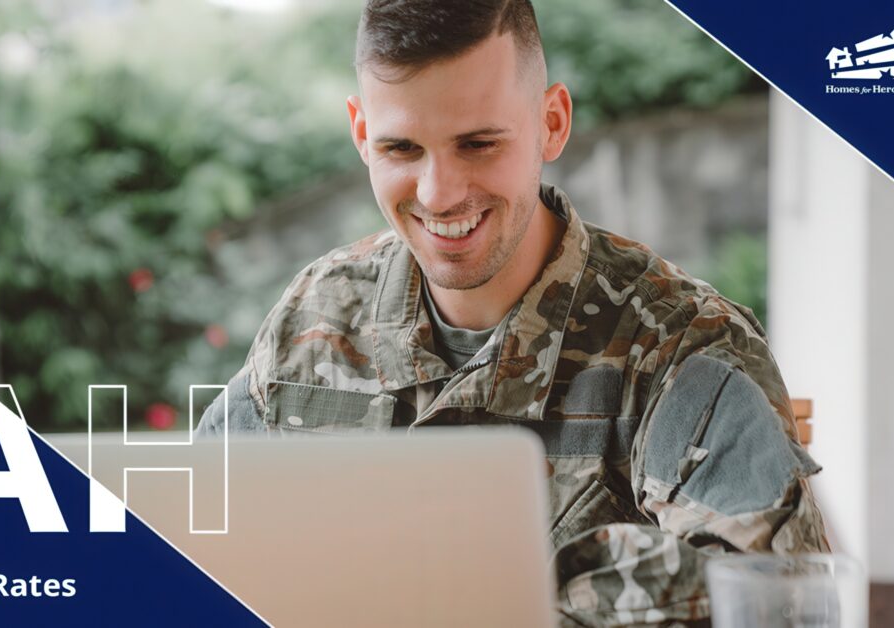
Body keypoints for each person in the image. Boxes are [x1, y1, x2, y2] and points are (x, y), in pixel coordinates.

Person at [197, 0, 829, 624]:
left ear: (551, 122)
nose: (438, 193)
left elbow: (778, 603)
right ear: (362, 134)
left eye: (477, 144)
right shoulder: (314, 317)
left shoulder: (679, 346)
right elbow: (190, 542)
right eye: (401, 149)